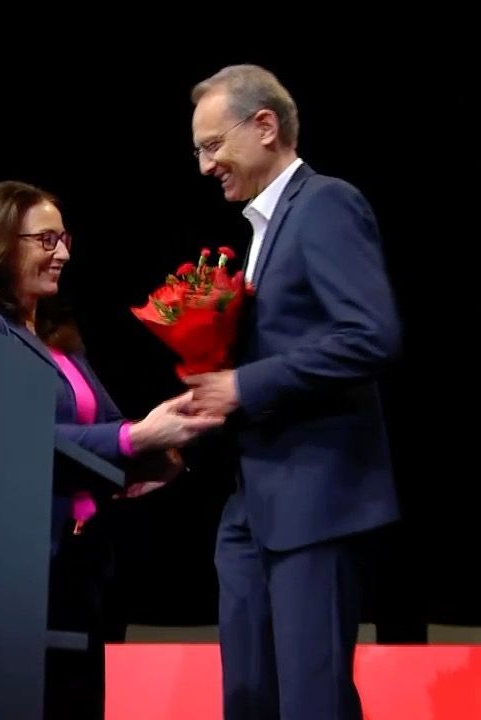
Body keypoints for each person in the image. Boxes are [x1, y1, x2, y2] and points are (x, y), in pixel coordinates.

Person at [0, 180, 222, 719]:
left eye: (63, 238)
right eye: (46, 240)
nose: (63, 253)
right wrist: (133, 438)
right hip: (19, 566)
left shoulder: (60, 337)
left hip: (83, 562)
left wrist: (168, 440)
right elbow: (9, 436)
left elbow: (112, 426)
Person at [184, 65, 402, 720]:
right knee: (249, 695)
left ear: (265, 126)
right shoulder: (261, 230)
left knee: (311, 699)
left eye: (213, 144)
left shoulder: (326, 203)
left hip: (315, 499)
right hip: (254, 503)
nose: (204, 165)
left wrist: (244, 384)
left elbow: (371, 334)